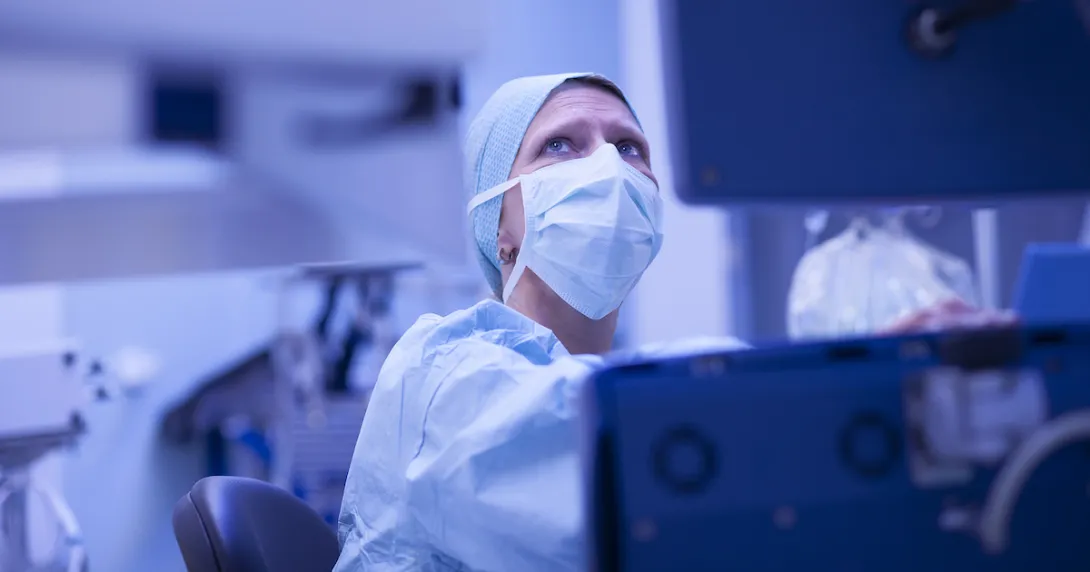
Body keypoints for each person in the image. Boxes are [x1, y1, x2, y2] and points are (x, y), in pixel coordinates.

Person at [333, 72, 1013, 571]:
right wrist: (874, 381)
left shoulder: (603, 379)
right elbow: (623, 483)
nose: (609, 168)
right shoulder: (446, 370)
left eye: (630, 149)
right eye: (560, 147)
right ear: (498, 226)